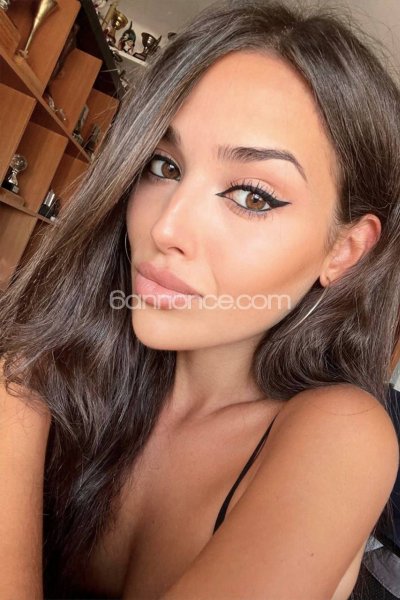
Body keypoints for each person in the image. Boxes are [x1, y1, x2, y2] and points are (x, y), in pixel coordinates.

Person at [0, 0, 399, 598]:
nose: (166, 228)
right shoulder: (82, 372)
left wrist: (13, 399)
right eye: (164, 166)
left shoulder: (339, 433)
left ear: (344, 250)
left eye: (252, 196)